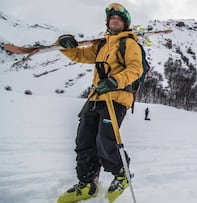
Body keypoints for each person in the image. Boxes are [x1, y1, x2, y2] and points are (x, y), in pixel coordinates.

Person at [56, 3, 143, 203]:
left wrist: (114, 81)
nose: (115, 20)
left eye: (119, 19)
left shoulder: (129, 44)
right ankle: (87, 183)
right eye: (112, 18)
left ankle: (121, 174)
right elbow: (80, 55)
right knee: (84, 140)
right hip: (95, 98)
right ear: (108, 21)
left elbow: (135, 69)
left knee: (105, 141)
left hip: (116, 98)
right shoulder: (101, 45)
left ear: (125, 23)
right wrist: (65, 45)